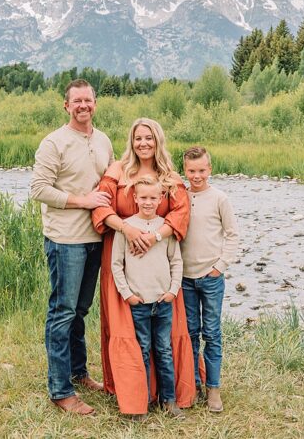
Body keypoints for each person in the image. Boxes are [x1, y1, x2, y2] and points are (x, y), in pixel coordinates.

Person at [92, 117, 197, 415]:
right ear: (131, 140)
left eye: (149, 138)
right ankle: (134, 393)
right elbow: (101, 208)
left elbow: (181, 213)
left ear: (158, 140)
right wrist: (128, 230)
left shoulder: (169, 176)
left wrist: (152, 237)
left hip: (159, 262)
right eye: (138, 138)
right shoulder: (117, 171)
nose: (143, 143)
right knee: (128, 328)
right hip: (124, 258)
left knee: (164, 337)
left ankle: (168, 394)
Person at [29, 79, 114, 416]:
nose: (83, 105)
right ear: (66, 106)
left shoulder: (104, 140)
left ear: (95, 103)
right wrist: (83, 201)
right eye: (76, 100)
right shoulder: (54, 143)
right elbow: (39, 189)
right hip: (66, 241)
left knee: (80, 311)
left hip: (96, 239)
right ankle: (60, 390)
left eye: (88, 100)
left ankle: (79, 373)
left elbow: (111, 182)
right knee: (62, 312)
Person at [110, 177, 185, 421]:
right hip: (139, 303)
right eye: (143, 197)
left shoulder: (165, 228)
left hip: (162, 301)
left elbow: (176, 261)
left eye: (153, 198)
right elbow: (116, 265)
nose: (148, 202)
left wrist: (173, 290)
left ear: (161, 199)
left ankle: (169, 400)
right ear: (134, 198)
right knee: (141, 351)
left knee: (163, 350)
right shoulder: (126, 227)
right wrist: (127, 294)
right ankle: (141, 400)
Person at [181, 146, 239, 412]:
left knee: (212, 333)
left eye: (202, 170)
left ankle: (213, 388)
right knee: (190, 332)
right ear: (185, 170)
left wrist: (220, 265)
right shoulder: (180, 196)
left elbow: (232, 234)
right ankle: (193, 383)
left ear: (210, 169)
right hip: (185, 277)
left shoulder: (219, 198)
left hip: (211, 276)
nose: (197, 176)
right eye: (192, 171)